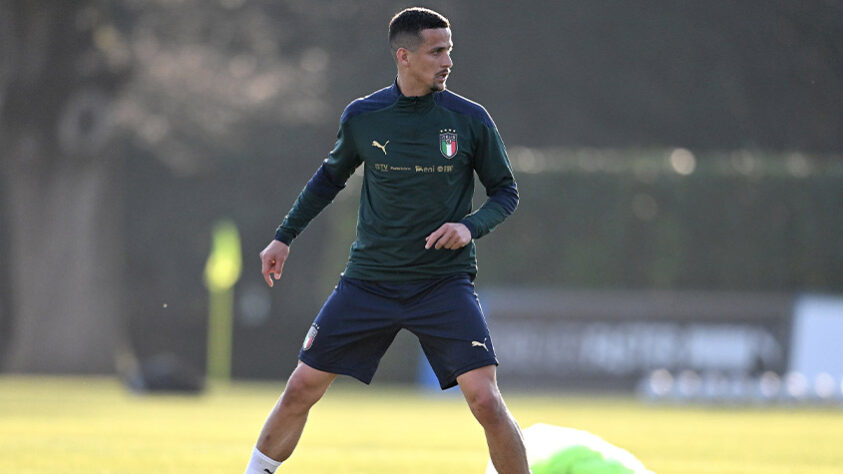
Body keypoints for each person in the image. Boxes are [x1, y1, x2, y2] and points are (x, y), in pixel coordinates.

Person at [245, 7, 529, 474]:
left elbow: (505, 192)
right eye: (436, 52)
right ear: (404, 56)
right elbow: (327, 180)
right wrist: (283, 238)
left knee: (485, 400)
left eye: (449, 50)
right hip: (369, 282)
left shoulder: (470, 119)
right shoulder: (364, 115)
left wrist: (469, 226)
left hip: (442, 284)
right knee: (300, 388)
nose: (448, 61)